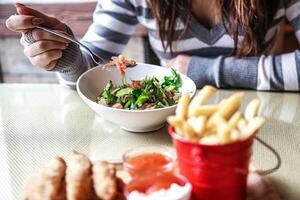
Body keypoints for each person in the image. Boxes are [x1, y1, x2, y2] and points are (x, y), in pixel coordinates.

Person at [6, 0, 300, 91]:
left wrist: (203, 70)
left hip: (261, 120)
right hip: (170, 126)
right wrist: (66, 56)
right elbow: (89, 69)